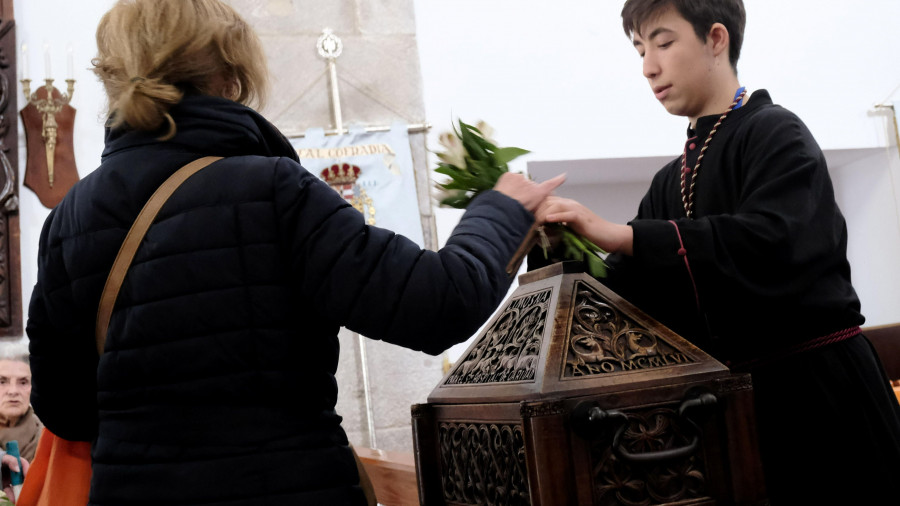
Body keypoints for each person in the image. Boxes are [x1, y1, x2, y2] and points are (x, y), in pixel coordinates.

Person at [24, 1, 562, 505]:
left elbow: (66, 410)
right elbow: (440, 303)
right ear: (231, 76)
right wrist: (501, 211)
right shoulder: (270, 189)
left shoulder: (71, 218)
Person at [534, 0, 900, 503]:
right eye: (640, 50)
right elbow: (623, 295)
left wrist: (622, 233)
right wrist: (550, 245)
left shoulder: (776, 133)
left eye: (663, 43)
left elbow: (772, 242)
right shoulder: (669, 181)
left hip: (819, 396)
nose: (648, 67)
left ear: (716, 39)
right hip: (725, 410)